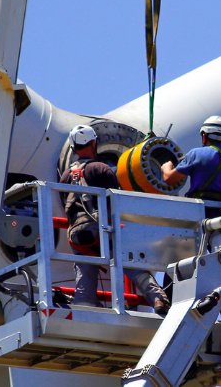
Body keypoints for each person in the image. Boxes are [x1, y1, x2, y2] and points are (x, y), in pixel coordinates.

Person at [60, 125, 170, 315]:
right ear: (94, 143)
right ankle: (158, 298)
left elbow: (65, 205)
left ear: (73, 148)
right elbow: (116, 202)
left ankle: (84, 309)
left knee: (84, 271)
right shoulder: (101, 169)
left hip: (77, 235)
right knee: (129, 261)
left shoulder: (65, 176)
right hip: (100, 229)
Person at [161, 116, 221, 213]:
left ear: (204, 136)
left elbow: (169, 179)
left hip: (201, 212)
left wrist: (166, 168)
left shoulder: (196, 154)